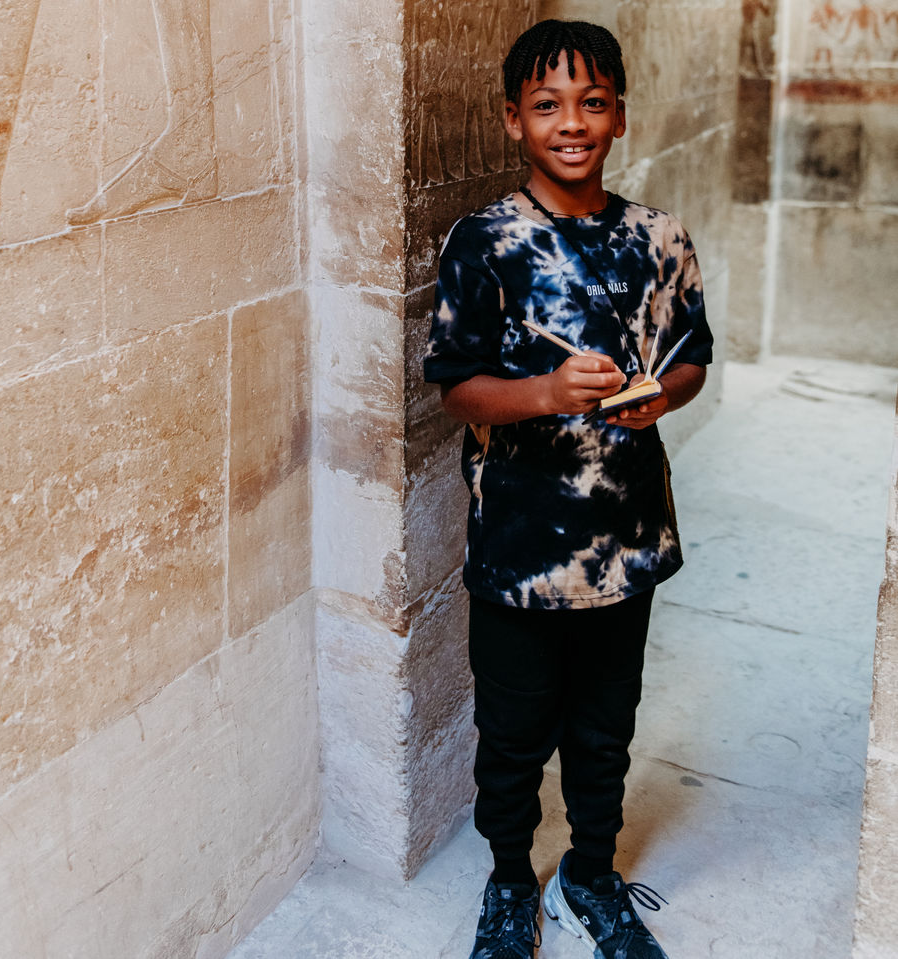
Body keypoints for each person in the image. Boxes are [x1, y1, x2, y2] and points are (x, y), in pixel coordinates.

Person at [423, 19, 714, 959]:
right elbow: (456, 385)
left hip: (624, 543)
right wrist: (547, 393)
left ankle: (592, 871)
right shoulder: (486, 242)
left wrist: (652, 400)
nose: (571, 121)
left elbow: (691, 360)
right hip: (518, 547)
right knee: (510, 736)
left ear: (620, 116)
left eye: (592, 101)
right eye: (547, 104)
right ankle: (511, 881)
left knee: (602, 728)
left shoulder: (659, 239)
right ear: (514, 120)